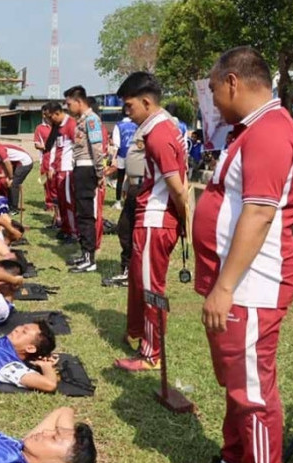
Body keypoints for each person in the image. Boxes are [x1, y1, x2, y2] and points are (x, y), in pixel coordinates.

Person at [184, 47, 293, 463]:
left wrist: (227, 286)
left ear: (233, 82)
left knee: (252, 390)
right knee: (236, 381)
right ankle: (235, 459)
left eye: (214, 89)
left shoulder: (271, 133)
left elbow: (257, 213)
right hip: (234, 286)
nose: (213, 100)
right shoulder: (250, 132)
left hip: (251, 287)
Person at [112, 72, 187, 372]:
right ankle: (138, 332)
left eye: (129, 107)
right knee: (139, 279)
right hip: (151, 217)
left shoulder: (159, 133)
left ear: (146, 102)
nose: (126, 114)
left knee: (150, 287)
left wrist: (184, 222)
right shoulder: (158, 127)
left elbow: (177, 187)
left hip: (156, 220)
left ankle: (152, 353)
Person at [63, 86, 104, 273]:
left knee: (86, 215)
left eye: (69, 103)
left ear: (79, 102)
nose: (68, 107)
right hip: (80, 168)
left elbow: (97, 149)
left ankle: (90, 258)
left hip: (87, 169)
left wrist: (100, 172)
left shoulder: (92, 120)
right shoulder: (81, 121)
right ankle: (84, 253)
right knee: (81, 214)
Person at [102, 123, 146, 289]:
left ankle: (136, 272)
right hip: (133, 186)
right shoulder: (138, 131)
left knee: (138, 234)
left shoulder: (156, 131)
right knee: (124, 228)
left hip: (145, 189)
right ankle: (127, 269)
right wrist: (127, 187)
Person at [44, 101, 78, 243]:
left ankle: (73, 232)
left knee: (69, 201)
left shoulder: (72, 125)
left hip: (67, 170)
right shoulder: (58, 127)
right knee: (61, 201)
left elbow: (78, 147)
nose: (48, 121)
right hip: (58, 170)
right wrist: (51, 166)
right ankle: (65, 228)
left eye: (50, 117)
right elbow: (54, 148)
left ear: (57, 113)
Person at [0, 135, 33, 215]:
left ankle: (14, 209)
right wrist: (7, 176)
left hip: (24, 162)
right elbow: (3, 165)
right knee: (9, 184)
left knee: (14, 184)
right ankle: (9, 205)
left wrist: (10, 177)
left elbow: (7, 163)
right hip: (17, 163)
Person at [35, 103, 59, 226]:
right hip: (46, 157)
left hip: (57, 158)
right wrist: (44, 146)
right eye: (43, 113)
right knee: (47, 182)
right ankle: (49, 203)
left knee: (56, 182)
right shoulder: (40, 128)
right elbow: (37, 143)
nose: (45, 116)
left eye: (47, 113)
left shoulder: (59, 126)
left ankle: (57, 206)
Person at [111, 108, 137, 210]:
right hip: (134, 156)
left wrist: (113, 158)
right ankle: (132, 202)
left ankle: (118, 202)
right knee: (133, 181)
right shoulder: (136, 125)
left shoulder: (118, 125)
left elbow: (116, 144)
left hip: (122, 155)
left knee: (120, 180)